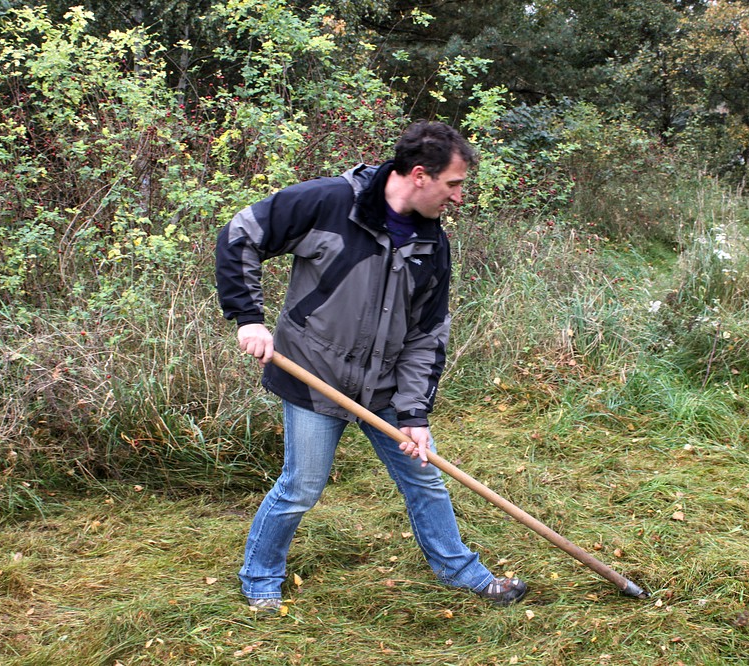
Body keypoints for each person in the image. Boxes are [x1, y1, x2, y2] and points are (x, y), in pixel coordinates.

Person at [215, 120, 528, 612]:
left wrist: (415, 413)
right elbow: (241, 234)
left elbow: (426, 335)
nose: (459, 197)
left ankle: (462, 571)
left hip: (384, 387)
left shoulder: (431, 244)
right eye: (453, 184)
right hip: (314, 376)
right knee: (301, 487)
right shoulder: (328, 203)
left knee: (425, 478)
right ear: (420, 175)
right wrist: (248, 318)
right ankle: (260, 576)